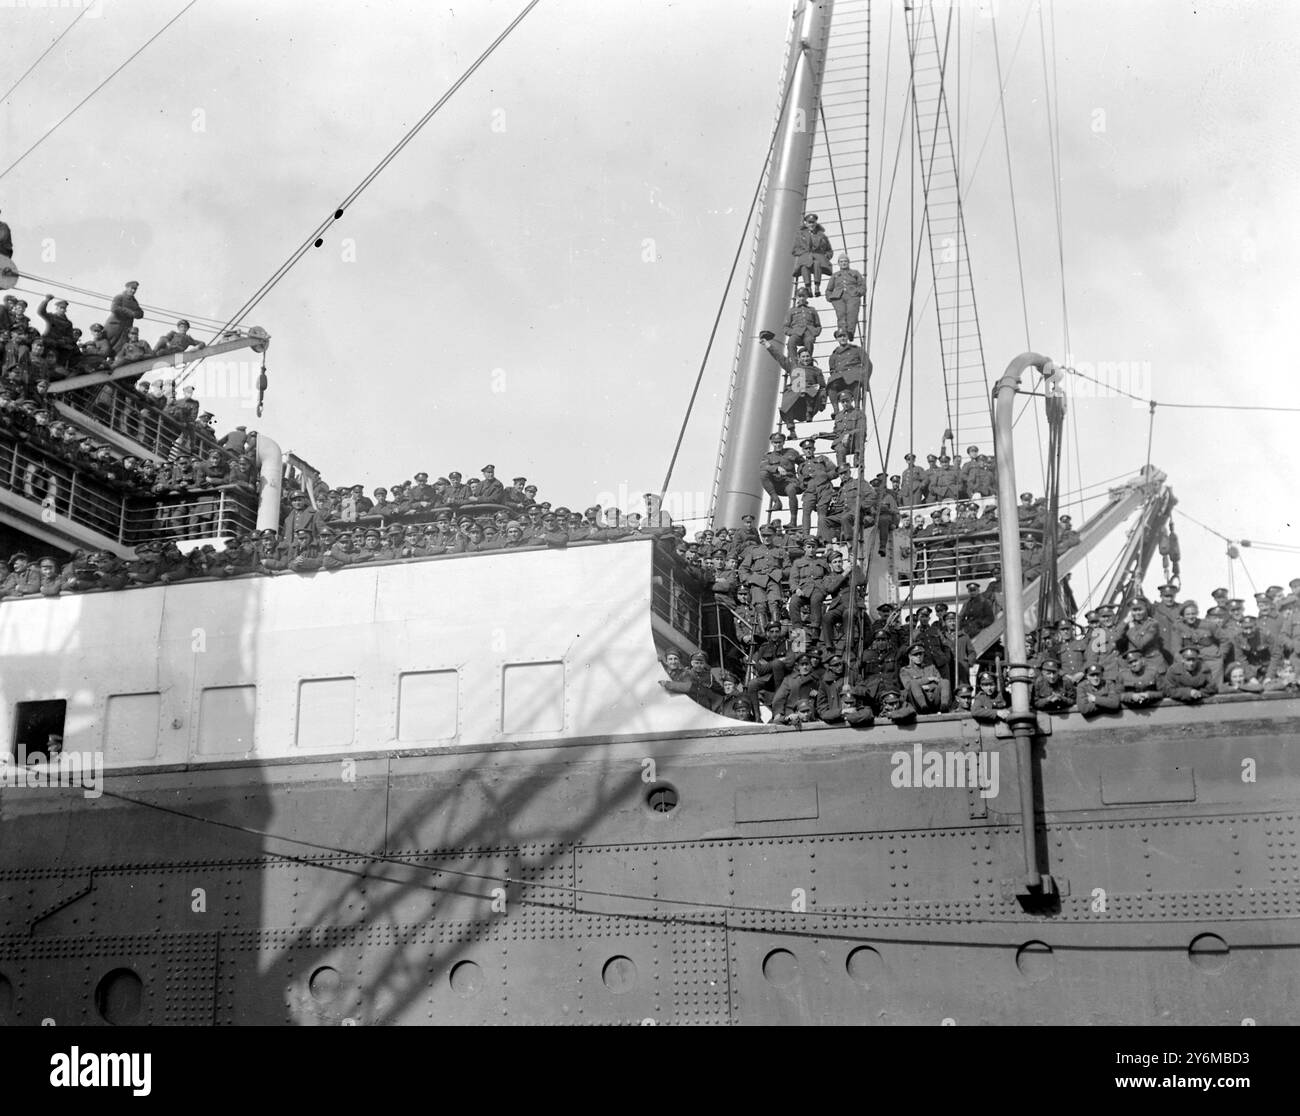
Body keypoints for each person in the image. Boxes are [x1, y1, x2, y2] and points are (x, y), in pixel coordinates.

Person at [824, 254, 866, 339]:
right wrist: (830, 298)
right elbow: (828, 289)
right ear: (838, 264)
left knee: (852, 313)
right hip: (838, 298)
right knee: (841, 314)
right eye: (841, 262)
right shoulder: (835, 275)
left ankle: (850, 332)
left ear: (848, 262)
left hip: (853, 296)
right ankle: (842, 332)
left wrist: (859, 292)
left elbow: (862, 286)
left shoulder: (855, 273)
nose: (843, 263)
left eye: (845, 261)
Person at [790, 212, 834, 295]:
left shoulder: (822, 235)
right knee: (804, 267)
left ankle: (817, 287)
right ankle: (808, 288)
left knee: (817, 264)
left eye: (813, 222)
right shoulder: (800, 235)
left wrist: (825, 257)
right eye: (809, 222)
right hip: (805, 258)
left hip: (819, 258)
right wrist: (804, 253)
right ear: (806, 223)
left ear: (816, 223)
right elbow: (795, 250)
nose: (811, 224)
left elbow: (829, 250)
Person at [104, 281, 145, 355]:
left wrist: (136, 314)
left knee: (120, 348)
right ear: (127, 288)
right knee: (107, 344)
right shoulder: (119, 297)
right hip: (114, 326)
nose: (133, 291)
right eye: (131, 288)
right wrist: (131, 313)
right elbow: (114, 308)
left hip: (125, 329)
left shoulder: (134, 302)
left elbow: (140, 313)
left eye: (135, 289)